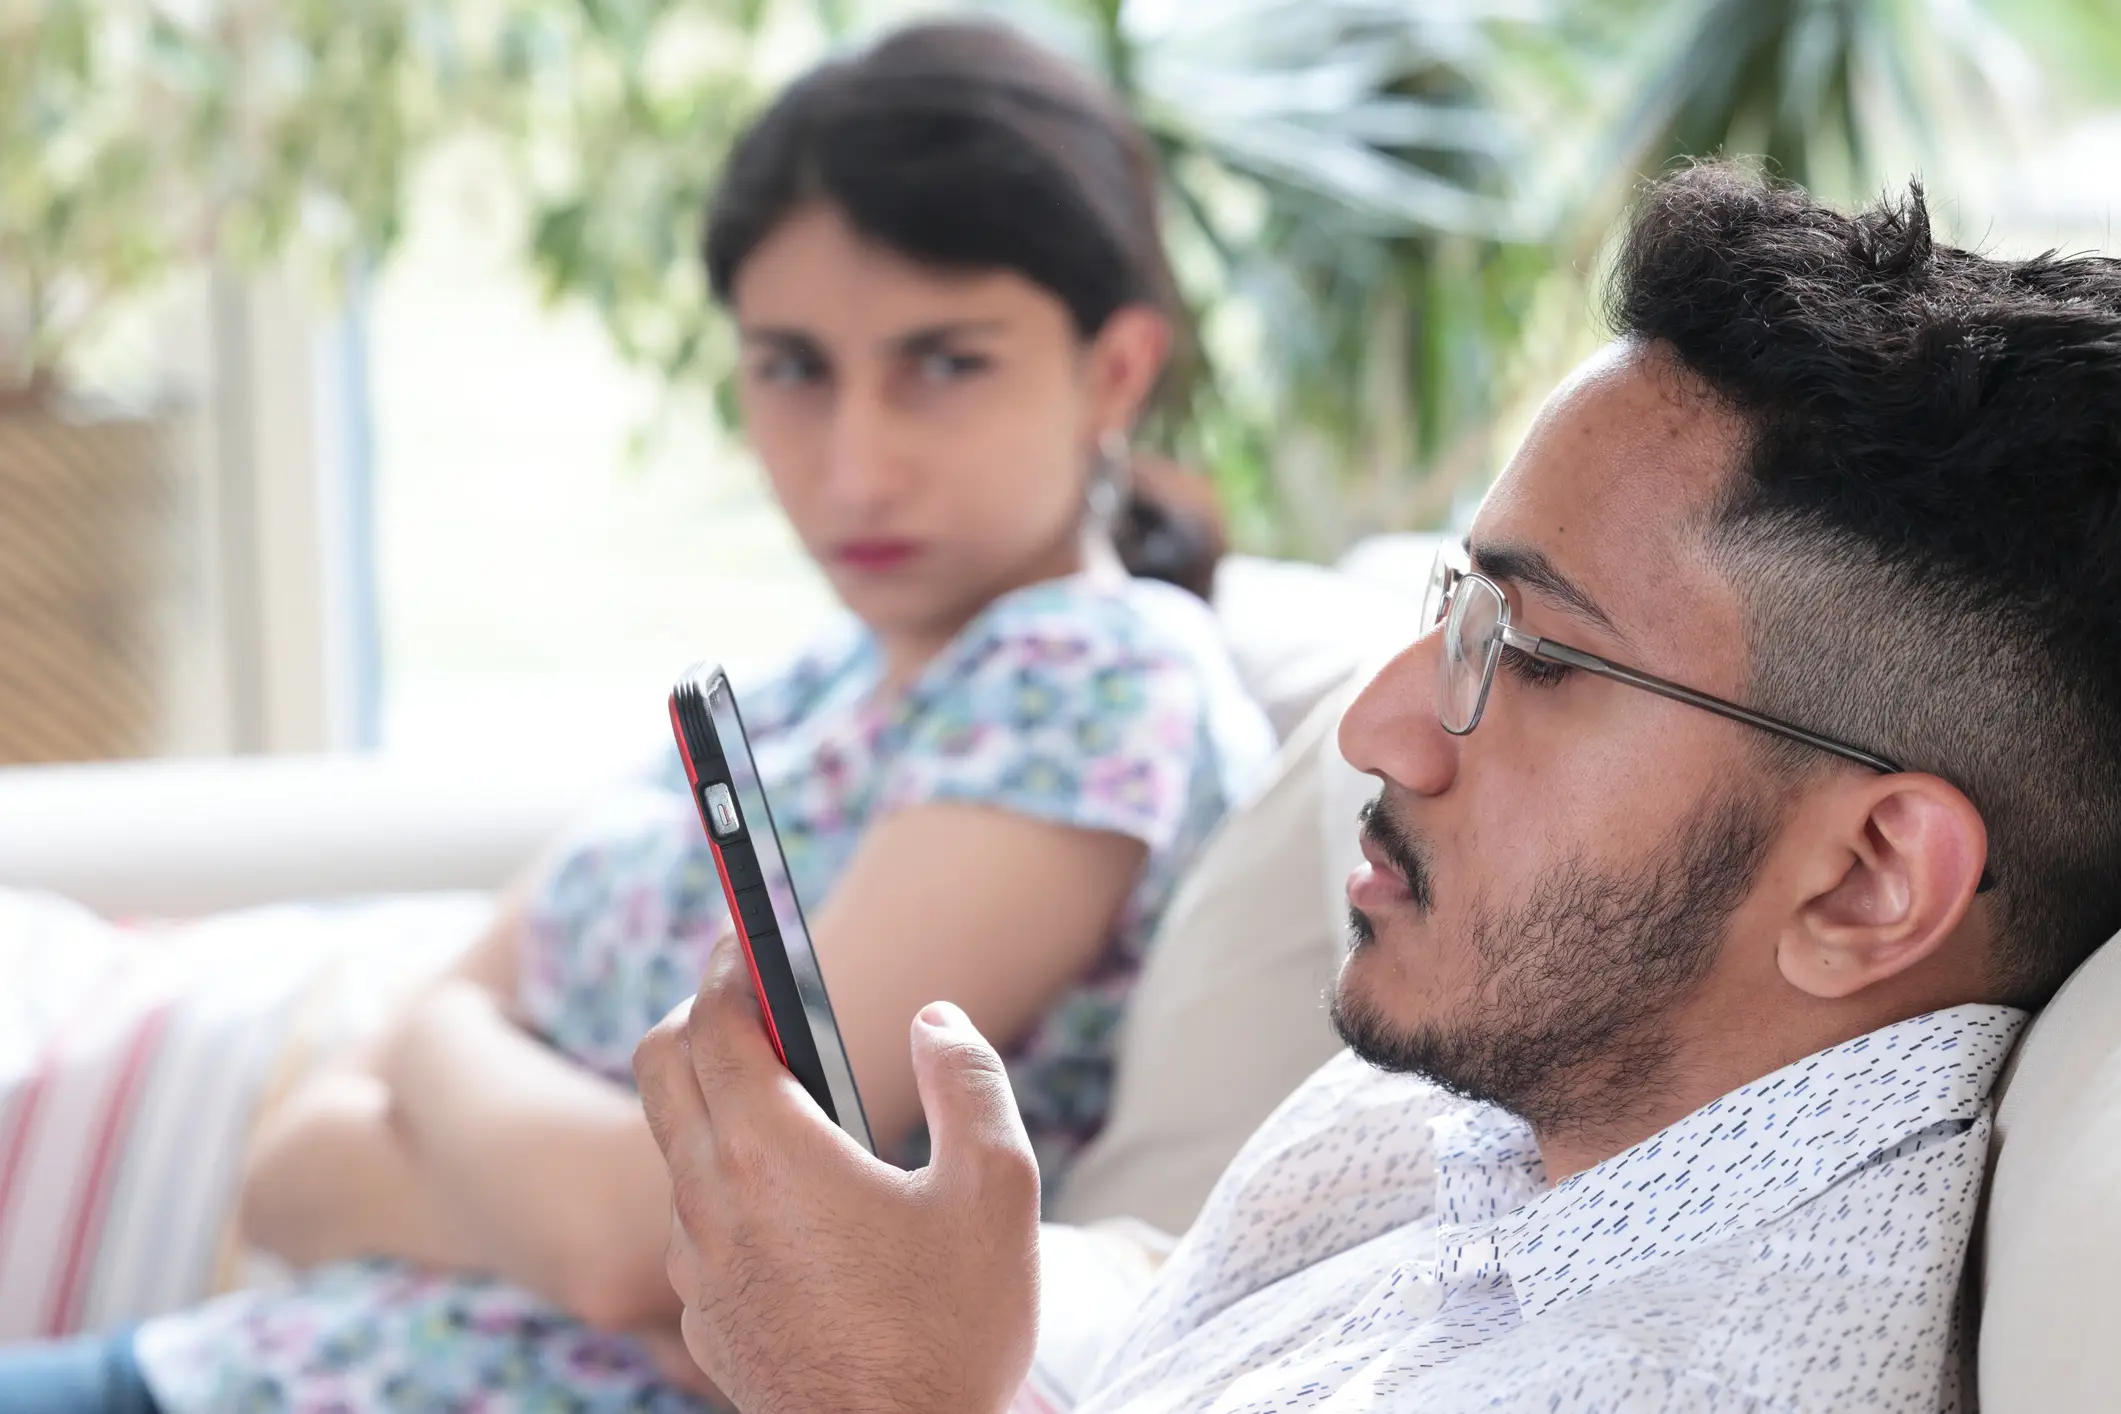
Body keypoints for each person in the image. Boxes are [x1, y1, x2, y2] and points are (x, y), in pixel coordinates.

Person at [634, 163, 2121, 1412]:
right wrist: (941, 1295)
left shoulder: (1703, 1369)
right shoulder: (1555, 1084)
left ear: (1866, 878)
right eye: (1460, 606)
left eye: (1534, 652)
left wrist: (878, 1390)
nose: (1379, 724)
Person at [0, 20, 1274, 1414]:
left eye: (944, 362)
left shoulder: (1093, 683)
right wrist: (560, 1183)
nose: (856, 462)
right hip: (233, 1364)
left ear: (1116, 368)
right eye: (793, 367)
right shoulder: (800, 695)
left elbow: (631, 1240)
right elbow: (293, 1169)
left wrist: (441, 1054)